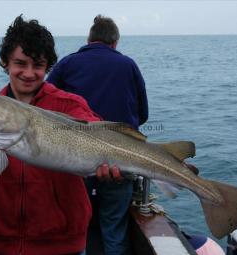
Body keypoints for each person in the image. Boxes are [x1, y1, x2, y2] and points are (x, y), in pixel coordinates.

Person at [0, 15, 120, 255]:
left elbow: (95, 128)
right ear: (5, 63)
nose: (29, 73)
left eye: (38, 65)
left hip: (62, 243)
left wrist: (109, 159)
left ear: (48, 66)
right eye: (20, 63)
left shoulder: (69, 104)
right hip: (0, 242)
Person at [47, 15, 148, 255]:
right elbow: (143, 114)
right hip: (121, 160)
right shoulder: (129, 65)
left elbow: (45, 108)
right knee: (114, 228)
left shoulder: (67, 64)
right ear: (115, 42)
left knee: (74, 227)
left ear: (89, 39)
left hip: (75, 159)